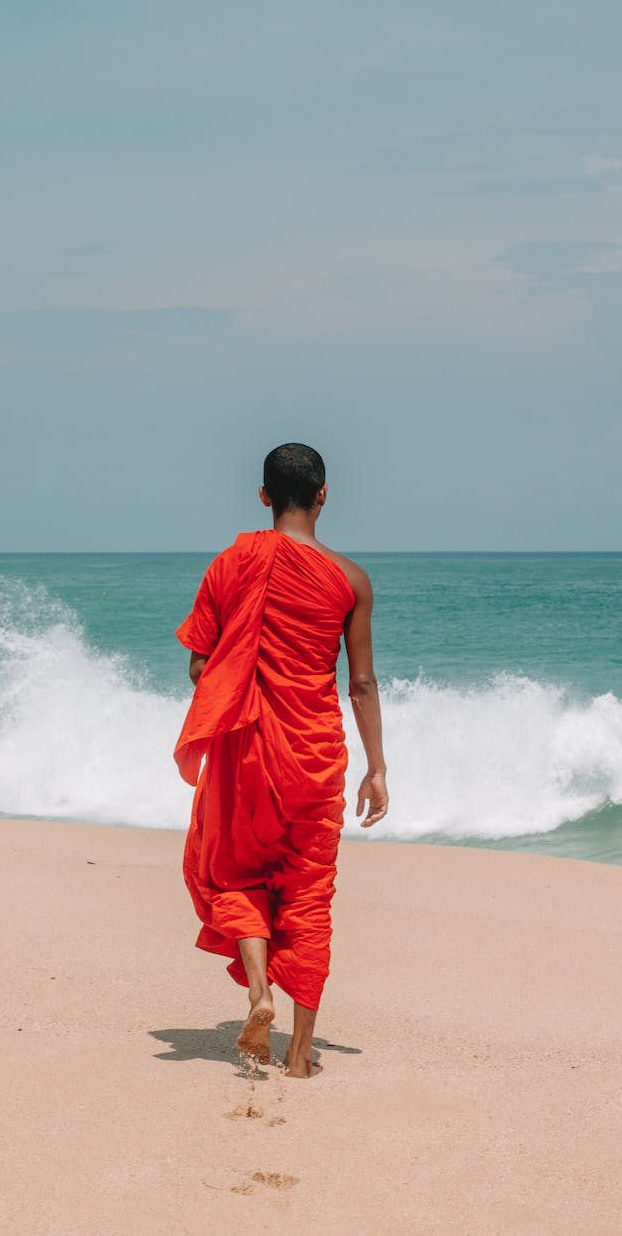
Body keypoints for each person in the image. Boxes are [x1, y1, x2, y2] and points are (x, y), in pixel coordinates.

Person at [174, 442, 388, 1079]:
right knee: (308, 890)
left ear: (264, 496)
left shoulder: (230, 564)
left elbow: (199, 666)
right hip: (314, 753)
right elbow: (363, 685)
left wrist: (247, 681)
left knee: (236, 873)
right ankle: (299, 1054)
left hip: (246, 747)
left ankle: (261, 993)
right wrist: (377, 768)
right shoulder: (350, 580)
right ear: (323, 494)